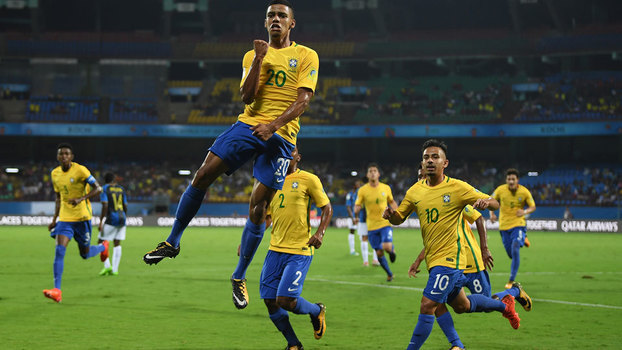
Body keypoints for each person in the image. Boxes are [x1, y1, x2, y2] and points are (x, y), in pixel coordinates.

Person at [142, 0, 319, 310]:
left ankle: (238, 276)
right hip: (248, 125)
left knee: (258, 207)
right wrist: (260, 59)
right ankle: (172, 241)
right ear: (265, 23)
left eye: (281, 16)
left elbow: (303, 101)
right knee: (202, 174)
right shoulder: (252, 55)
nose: (275, 19)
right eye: (270, 16)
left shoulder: (306, 55)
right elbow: (246, 96)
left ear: (292, 23)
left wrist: (274, 125)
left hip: (282, 136)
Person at [383, 139, 522, 350]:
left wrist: (486, 203)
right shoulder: (414, 192)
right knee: (461, 306)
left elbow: (495, 202)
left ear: (445, 163)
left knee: (428, 304)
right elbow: (399, 217)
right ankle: (504, 304)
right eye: (426, 157)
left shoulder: (457, 188)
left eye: (435, 157)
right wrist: (391, 216)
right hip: (435, 260)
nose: (430, 161)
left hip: (450, 260)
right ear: (422, 162)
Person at [410, 166, 532, 350]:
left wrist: (484, 249)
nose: (422, 179)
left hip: (470, 260)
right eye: (419, 177)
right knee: (442, 304)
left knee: (485, 302)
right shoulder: (425, 201)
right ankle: (457, 345)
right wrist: (419, 260)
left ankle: (513, 293)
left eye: (424, 176)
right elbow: (434, 239)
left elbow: (478, 218)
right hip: (447, 262)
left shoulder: (451, 197)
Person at [260, 146, 331, 350]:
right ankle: (294, 344)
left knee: (285, 300)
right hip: (275, 249)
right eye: (281, 153)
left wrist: (320, 233)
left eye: (290, 152)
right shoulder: (272, 182)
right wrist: (252, 238)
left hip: (299, 250)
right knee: (269, 301)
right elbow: (268, 217)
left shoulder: (309, 179)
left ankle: (316, 311)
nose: (285, 155)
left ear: (298, 157)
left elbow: (327, 208)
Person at [43, 143, 109, 303]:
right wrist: (54, 220)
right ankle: (57, 290)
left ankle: (103, 247)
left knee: (85, 254)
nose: (64, 156)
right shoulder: (55, 174)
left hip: (82, 218)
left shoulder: (81, 170)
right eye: (61, 154)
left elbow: (98, 188)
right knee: (59, 251)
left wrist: (81, 199)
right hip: (65, 219)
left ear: (71, 157)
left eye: (67, 154)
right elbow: (58, 197)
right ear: (58, 157)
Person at [489, 168, 536, 289]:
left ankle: (511, 280)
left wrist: (524, 211)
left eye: (513, 179)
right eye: (509, 179)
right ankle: (523, 238)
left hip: (518, 224)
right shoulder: (500, 190)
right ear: (506, 180)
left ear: (517, 180)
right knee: (511, 255)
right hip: (504, 226)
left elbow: (533, 206)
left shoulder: (524, 192)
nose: (511, 181)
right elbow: (491, 200)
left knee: (515, 248)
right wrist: (492, 214)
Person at [354, 163, 397, 281]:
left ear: (378, 174)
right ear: (367, 175)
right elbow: (357, 204)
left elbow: (392, 202)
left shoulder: (386, 188)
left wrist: (396, 212)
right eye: (370, 171)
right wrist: (356, 209)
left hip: (384, 224)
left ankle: (391, 251)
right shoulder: (362, 190)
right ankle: (389, 274)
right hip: (371, 226)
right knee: (379, 253)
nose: (373, 173)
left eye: (375, 171)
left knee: (386, 247)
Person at [98, 172, 128, 276]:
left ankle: (107, 267)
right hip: (122, 218)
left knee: (100, 241)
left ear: (105, 180)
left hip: (111, 218)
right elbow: (125, 205)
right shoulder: (121, 189)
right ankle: (115, 270)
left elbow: (105, 205)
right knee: (117, 243)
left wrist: (101, 221)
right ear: (114, 180)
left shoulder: (105, 188)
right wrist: (124, 216)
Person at [345, 180, 361, 256]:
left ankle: (364, 250)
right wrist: (352, 218)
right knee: (352, 231)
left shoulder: (359, 194)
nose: (359, 186)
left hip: (358, 216)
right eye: (358, 184)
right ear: (354, 186)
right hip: (351, 217)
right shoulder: (350, 194)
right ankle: (352, 250)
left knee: (362, 233)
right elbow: (348, 207)